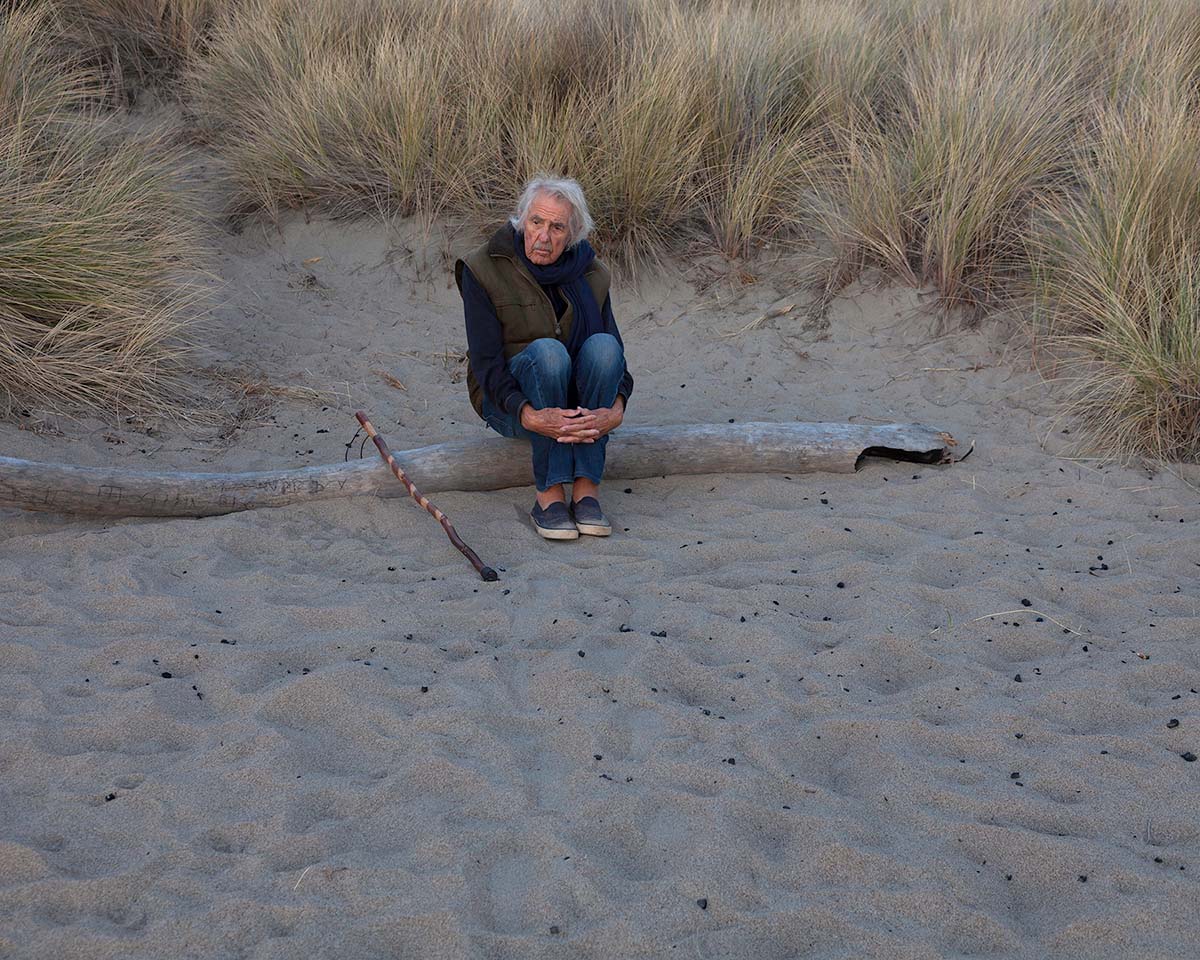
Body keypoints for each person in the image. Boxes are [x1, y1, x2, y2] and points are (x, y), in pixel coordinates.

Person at [456, 175, 633, 540]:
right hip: (507, 404)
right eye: (536, 222)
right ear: (522, 221)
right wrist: (530, 415)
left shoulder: (593, 274)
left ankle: (586, 492)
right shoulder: (483, 267)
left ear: (573, 235)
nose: (543, 236)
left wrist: (616, 411)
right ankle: (549, 496)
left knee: (602, 347)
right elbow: (485, 364)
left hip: (572, 407)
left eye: (557, 227)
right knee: (549, 353)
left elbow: (616, 361)